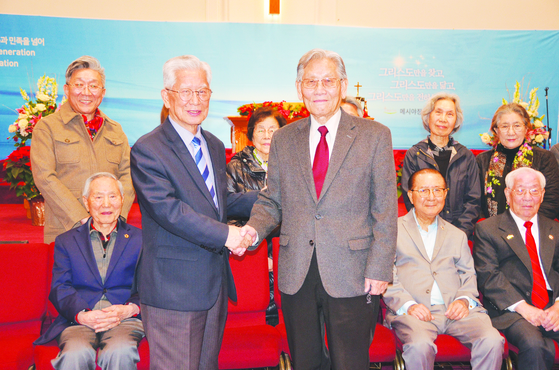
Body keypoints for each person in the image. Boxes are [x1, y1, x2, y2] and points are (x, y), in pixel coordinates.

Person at [242, 48, 397, 370]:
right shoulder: (284, 138)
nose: (319, 89)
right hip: (297, 269)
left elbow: (385, 208)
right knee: (306, 361)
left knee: (349, 362)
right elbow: (273, 200)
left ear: (343, 84)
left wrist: (380, 268)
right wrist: (252, 230)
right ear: (299, 88)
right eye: (311, 82)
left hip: (354, 271)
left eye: (327, 80)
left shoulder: (374, 136)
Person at [130, 55, 257, 370]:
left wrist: (271, 199)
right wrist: (227, 234)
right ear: (167, 96)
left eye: (202, 92)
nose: (195, 100)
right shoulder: (148, 149)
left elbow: (220, 201)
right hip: (174, 290)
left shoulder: (213, 145)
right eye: (186, 92)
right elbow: (169, 211)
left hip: (213, 285)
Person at [384, 168, 503, 370]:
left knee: (492, 340)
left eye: (437, 190)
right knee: (420, 346)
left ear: (445, 194)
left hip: (455, 311)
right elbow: (385, 277)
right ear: (411, 195)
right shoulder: (392, 231)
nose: (431, 197)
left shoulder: (457, 235)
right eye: (423, 190)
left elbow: (468, 275)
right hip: (414, 312)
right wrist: (409, 305)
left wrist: (463, 300)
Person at [34, 172, 143, 370]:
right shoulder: (66, 241)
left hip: (124, 319)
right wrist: (81, 314)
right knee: (75, 354)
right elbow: (60, 287)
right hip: (79, 320)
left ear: (122, 199)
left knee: (120, 351)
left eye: (112, 196)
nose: (106, 204)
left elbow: (152, 286)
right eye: (98, 197)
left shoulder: (141, 240)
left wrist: (130, 309)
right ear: (86, 202)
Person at [31, 56, 134, 243]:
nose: (86, 92)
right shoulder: (47, 127)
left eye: (93, 86)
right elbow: (44, 177)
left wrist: (115, 216)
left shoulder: (115, 130)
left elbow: (128, 175)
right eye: (79, 85)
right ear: (67, 89)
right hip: (66, 230)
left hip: (111, 231)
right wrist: (82, 218)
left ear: (102, 93)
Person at [474, 167, 559, 370]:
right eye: (520, 190)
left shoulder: (554, 228)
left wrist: (558, 306)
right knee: (534, 344)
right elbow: (488, 276)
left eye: (534, 191)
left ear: (543, 195)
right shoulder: (488, 228)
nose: (527, 197)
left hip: (552, 306)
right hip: (512, 309)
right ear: (507, 194)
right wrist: (525, 309)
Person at [401, 92, 480, 239]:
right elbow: (409, 196)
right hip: (423, 234)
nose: (443, 119)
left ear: (456, 121)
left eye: (450, 114)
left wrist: (460, 233)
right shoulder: (415, 154)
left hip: (459, 233)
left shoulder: (466, 156)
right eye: (438, 112)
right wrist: (426, 230)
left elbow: (473, 200)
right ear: (428, 116)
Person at [477, 103, 559, 220]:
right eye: (505, 126)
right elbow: (476, 201)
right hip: (490, 231)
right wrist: (488, 228)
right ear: (496, 130)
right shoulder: (482, 160)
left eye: (517, 126)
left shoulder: (544, 158)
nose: (511, 132)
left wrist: (525, 227)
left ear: (526, 128)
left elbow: (551, 202)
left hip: (532, 230)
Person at [226, 105, 287, 223]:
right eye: (261, 130)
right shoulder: (235, 166)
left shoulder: (292, 165)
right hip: (246, 235)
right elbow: (227, 209)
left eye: (272, 130)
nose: (267, 136)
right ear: (251, 135)